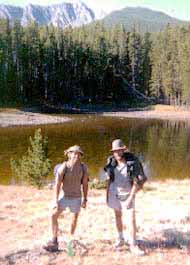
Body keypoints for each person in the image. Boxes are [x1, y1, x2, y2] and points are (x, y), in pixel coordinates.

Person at [104, 139, 147, 256]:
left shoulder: (131, 164)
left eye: (119, 150)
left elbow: (136, 183)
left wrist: (130, 198)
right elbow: (108, 180)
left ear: (123, 150)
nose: (117, 153)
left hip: (128, 194)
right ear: (113, 152)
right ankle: (120, 238)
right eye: (115, 151)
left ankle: (133, 244)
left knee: (131, 219)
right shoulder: (111, 163)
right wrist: (107, 194)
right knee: (117, 216)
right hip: (114, 194)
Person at [43, 145, 89, 252]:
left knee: (74, 220)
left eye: (78, 154)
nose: (76, 155)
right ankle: (54, 242)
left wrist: (85, 199)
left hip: (77, 198)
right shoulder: (63, 167)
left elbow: (85, 184)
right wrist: (55, 200)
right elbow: (57, 184)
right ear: (69, 154)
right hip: (65, 197)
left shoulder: (83, 168)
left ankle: (69, 242)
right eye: (73, 153)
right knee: (53, 215)